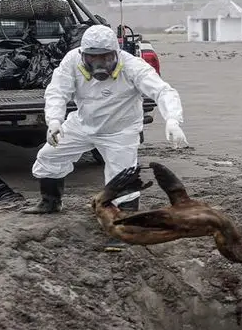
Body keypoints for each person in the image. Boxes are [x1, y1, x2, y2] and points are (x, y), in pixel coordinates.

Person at [23, 24, 189, 251]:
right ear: (84, 56)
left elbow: (162, 91)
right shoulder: (72, 61)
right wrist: (54, 121)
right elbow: (57, 91)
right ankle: (50, 202)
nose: (99, 64)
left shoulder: (132, 66)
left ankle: (126, 228)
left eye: (105, 58)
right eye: (93, 58)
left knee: (122, 178)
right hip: (83, 123)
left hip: (120, 131)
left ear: (116, 54)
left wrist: (172, 119)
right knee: (49, 156)